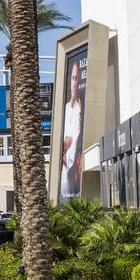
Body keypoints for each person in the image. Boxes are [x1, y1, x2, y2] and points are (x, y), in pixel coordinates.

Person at [61, 60, 83, 199]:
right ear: (70, 82)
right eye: (73, 78)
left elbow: (72, 142)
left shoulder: (80, 109)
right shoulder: (65, 109)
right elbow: (66, 142)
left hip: (75, 174)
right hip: (65, 173)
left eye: (77, 79)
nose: (75, 83)